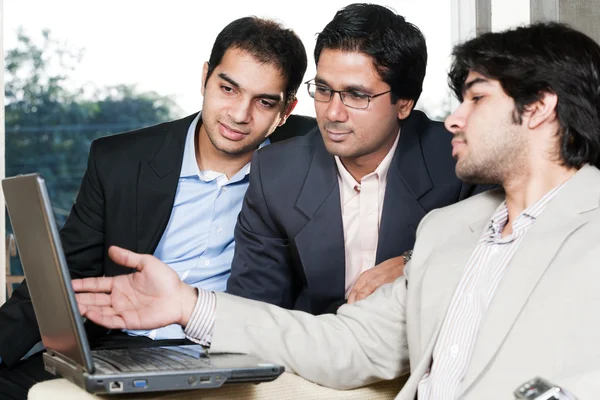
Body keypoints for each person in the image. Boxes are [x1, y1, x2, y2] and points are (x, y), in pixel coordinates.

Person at [76, 22, 600, 399]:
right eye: (323, 91)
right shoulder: (447, 234)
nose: (455, 120)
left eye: (476, 99)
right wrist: (191, 306)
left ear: (538, 107)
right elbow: (350, 342)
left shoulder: (585, 229)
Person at [0, 16, 308, 399]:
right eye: (228, 88)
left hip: (231, 352)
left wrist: (408, 256)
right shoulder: (120, 161)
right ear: (205, 78)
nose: (240, 114)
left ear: (287, 110)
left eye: (264, 102)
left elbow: (396, 127)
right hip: (118, 345)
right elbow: (63, 276)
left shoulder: (315, 157)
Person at [225, 3, 487, 315]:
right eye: (323, 89)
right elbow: (254, 312)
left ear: (403, 103)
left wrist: (413, 263)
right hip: (315, 350)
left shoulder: (461, 160)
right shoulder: (276, 172)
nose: (332, 113)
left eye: (357, 95)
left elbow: (499, 252)